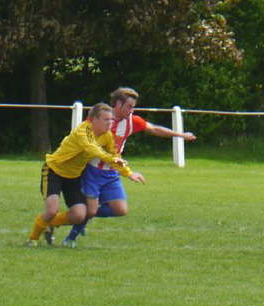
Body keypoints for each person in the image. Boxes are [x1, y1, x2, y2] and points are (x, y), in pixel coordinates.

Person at [60, 87, 197, 246]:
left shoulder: (132, 121)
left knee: (120, 210)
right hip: (92, 170)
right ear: (118, 104)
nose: (132, 110)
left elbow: (154, 129)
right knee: (89, 210)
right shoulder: (99, 118)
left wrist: (180, 135)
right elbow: (79, 139)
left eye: (133, 107)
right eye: (129, 106)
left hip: (112, 172)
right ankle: (69, 236)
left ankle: (82, 216)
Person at [27, 103, 143, 247]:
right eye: (106, 119)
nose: (110, 123)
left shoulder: (107, 136)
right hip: (54, 171)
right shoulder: (84, 130)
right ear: (93, 119)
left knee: (79, 215)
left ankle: (49, 224)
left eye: (111, 120)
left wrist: (129, 173)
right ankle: (32, 239)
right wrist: (112, 159)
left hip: (74, 177)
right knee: (51, 210)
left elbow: (115, 155)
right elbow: (93, 149)